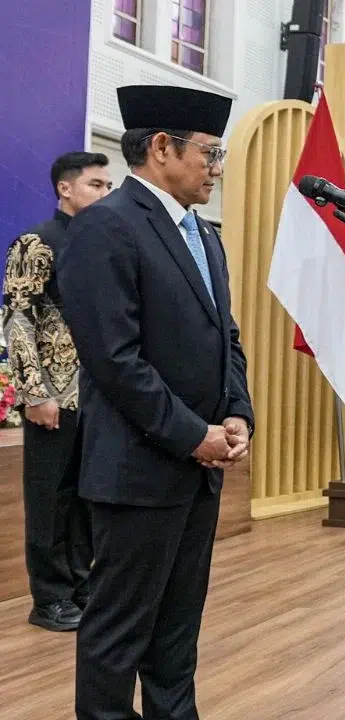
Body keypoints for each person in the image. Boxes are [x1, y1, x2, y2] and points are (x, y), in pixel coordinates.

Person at [57, 85, 253, 720]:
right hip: (138, 471)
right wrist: (193, 434)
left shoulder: (206, 236)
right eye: (210, 153)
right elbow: (114, 360)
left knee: (177, 634)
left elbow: (226, 337)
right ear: (162, 147)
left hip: (198, 471)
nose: (216, 168)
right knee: (119, 634)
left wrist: (236, 412)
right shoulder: (105, 227)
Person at [2, 151, 112, 632]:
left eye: (108, 186)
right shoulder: (37, 242)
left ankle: (81, 586)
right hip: (53, 395)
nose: (105, 193)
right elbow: (18, 319)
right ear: (65, 188)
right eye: (95, 185)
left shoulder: (102, 242)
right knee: (50, 498)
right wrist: (34, 392)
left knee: (88, 496)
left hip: (99, 395)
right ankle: (48, 597)